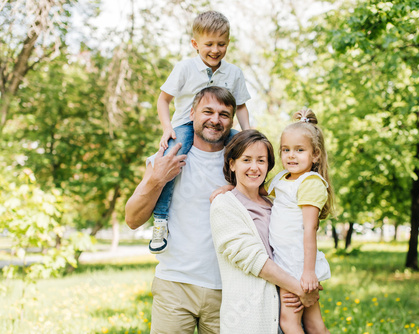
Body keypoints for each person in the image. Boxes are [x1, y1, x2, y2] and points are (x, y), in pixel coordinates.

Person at [126, 86, 240, 334]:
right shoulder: (166, 156)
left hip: (229, 288)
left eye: (224, 114)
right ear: (192, 113)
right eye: (207, 111)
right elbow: (132, 219)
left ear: (232, 120)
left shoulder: (243, 163)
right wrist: (157, 179)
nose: (215, 120)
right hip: (174, 285)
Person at [150, 10, 251, 254]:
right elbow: (163, 100)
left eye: (221, 44)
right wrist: (167, 129)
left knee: (249, 152)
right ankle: (160, 220)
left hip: (222, 127)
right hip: (187, 125)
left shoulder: (234, 73)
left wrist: (249, 133)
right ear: (195, 44)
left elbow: (241, 106)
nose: (215, 50)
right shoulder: (185, 68)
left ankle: (248, 208)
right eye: (209, 44)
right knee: (171, 159)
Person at [210, 129, 321, 334]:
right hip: (252, 319)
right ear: (232, 164)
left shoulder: (275, 203)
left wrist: (303, 286)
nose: (254, 167)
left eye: (261, 161)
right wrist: (301, 289)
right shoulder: (225, 205)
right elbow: (255, 261)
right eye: (246, 160)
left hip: (289, 308)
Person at [268, 108, 334, 334]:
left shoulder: (310, 182)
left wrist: (307, 272)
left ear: (315, 155)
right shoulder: (282, 179)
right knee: (314, 324)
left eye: (299, 150)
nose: (291, 155)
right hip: (287, 258)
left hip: (294, 262)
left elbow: (310, 229)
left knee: (289, 322)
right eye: (285, 150)